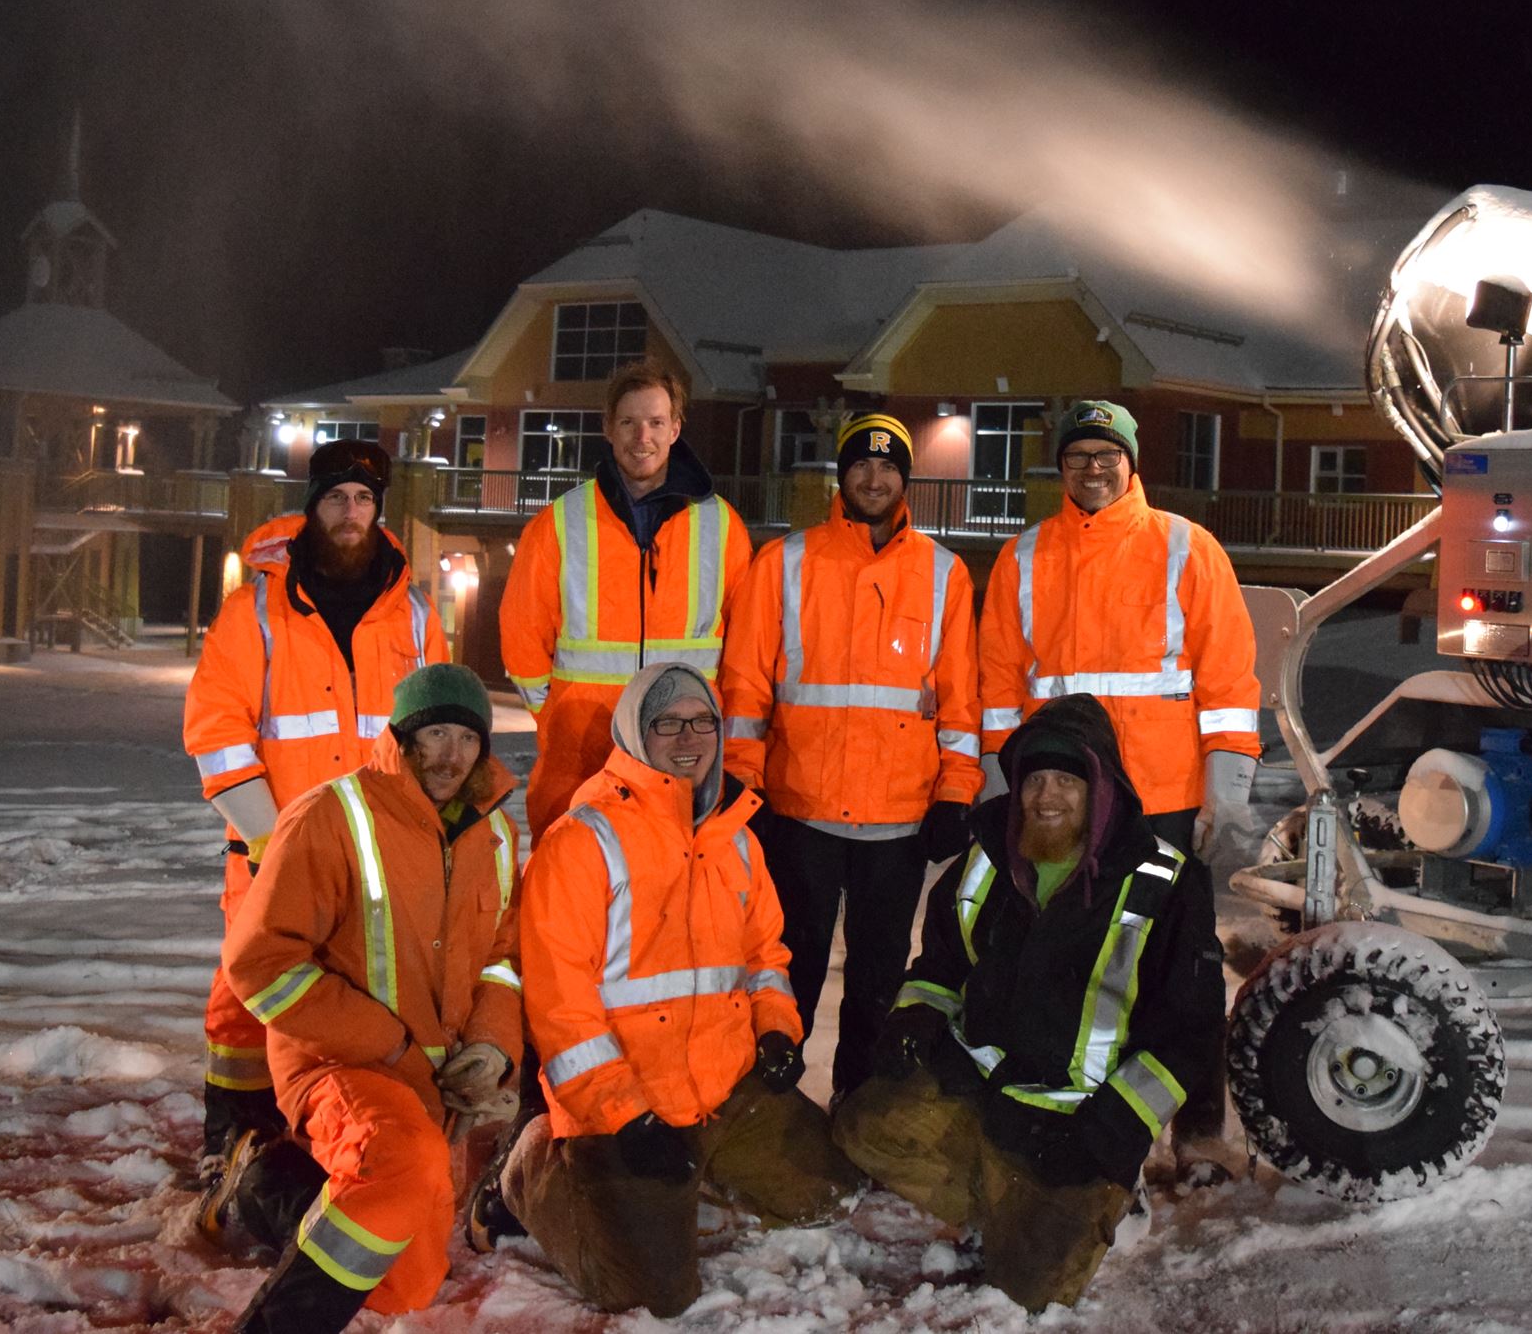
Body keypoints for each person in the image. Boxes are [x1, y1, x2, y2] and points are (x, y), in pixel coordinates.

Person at [833, 694, 1223, 1311]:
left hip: (1084, 1120)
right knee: (864, 1127)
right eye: (1034, 780)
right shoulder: (986, 859)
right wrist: (915, 1017)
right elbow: (941, 966)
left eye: (1067, 780)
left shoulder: (1168, 882)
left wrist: (1112, 1132)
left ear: (1101, 788)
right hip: (988, 1091)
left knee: (1031, 1289)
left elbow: (1191, 1033)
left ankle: (1105, 1199)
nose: (1046, 796)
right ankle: (1005, 1198)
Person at [502, 662, 859, 1316]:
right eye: (667, 722)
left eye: (702, 721)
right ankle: (535, 1171)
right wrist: (625, 1115)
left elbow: (764, 957)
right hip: (623, 1104)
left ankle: (699, 1171)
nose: (689, 737)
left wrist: (776, 1029)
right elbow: (560, 1008)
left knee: (831, 1195)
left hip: (723, 1086)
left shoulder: (735, 838)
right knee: (653, 1295)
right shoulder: (582, 841)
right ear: (634, 734)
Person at [210, 663, 524, 1332]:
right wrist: (389, 1042)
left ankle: (267, 1184)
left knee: (405, 1285)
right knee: (402, 1165)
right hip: (338, 1063)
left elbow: (502, 958)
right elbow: (260, 963)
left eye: (467, 739)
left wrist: (491, 1045)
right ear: (403, 737)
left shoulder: (496, 835)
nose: (451, 755)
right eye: (435, 734)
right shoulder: (329, 816)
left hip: (431, 1083)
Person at [182, 439, 449, 1172]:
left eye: (363, 499)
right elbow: (216, 731)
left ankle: (336, 1132)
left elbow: (437, 733)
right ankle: (231, 1137)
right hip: (269, 847)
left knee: (366, 994)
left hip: (377, 854)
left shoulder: (415, 616)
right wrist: (269, 838)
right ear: (311, 508)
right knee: (248, 994)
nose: (350, 513)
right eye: (336, 498)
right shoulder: (254, 611)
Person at [717, 412, 981, 1097]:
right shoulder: (784, 563)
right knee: (788, 974)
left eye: (888, 466)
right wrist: (742, 781)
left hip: (897, 825)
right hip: (799, 813)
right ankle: (773, 1108)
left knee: (876, 984)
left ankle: (856, 1109)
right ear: (842, 474)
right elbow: (745, 688)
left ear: (905, 478)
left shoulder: (944, 574)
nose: (874, 478)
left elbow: (960, 703)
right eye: (861, 464)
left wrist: (956, 793)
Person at [978, 399, 1261, 852]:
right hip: (1059, 798)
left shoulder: (1189, 548)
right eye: (1077, 456)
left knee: (1166, 904)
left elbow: (1227, 684)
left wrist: (1227, 792)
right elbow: (998, 686)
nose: (1093, 468)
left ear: (1130, 462)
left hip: (1165, 801)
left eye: (1108, 454)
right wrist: (998, 777)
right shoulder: (1020, 557)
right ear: (1061, 466)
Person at [498, 360, 752, 840]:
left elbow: (745, 648)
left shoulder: (722, 526)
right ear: (608, 428)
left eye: (656, 422)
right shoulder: (559, 523)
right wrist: (554, 717)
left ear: (675, 429)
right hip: (581, 756)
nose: (643, 437)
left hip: (684, 755)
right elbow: (522, 635)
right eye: (629, 422)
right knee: (573, 880)